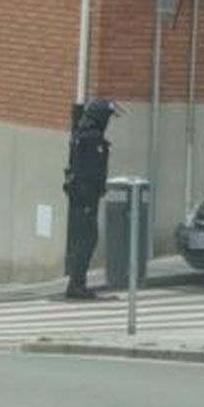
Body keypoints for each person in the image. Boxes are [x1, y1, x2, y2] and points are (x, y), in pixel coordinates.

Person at [64, 99, 118, 300]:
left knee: (85, 238)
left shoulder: (82, 135)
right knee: (87, 239)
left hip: (82, 195)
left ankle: (77, 282)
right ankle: (77, 284)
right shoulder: (92, 139)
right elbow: (91, 172)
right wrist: (94, 192)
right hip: (86, 196)